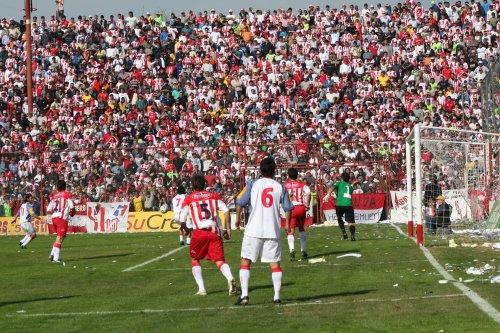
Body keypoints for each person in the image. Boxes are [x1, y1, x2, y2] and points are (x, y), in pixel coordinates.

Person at [235, 157, 293, 305]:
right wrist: (287, 225)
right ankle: (277, 297)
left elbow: (240, 201)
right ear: (275, 170)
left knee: (245, 261)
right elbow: (287, 208)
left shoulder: (252, 184)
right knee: (275, 264)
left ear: (260, 170)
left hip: (253, 229)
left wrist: (237, 219)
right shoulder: (281, 187)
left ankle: (245, 295)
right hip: (272, 230)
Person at [179, 174, 236, 296]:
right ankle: (230, 278)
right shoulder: (214, 196)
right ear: (204, 184)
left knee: (195, 259)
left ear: (193, 185)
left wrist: (187, 230)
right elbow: (226, 211)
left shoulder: (189, 199)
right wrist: (227, 229)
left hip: (199, 232)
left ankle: (202, 289)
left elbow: (181, 219)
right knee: (219, 260)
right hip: (214, 231)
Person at [283, 168, 311, 261]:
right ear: (297, 175)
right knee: (302, 228)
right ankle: (303, 251)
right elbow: (308, 192)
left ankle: (292, 251)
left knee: (291, 231)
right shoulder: (301, 184)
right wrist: (307, 203)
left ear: (288, 175)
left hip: (290, 209)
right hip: (300, 207)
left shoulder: (285, 185)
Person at [46, 180, 75, 263]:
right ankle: (56, 258)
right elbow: (72, 205)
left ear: (57, 187)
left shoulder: (54, 196)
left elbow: (48, 209)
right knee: (60, 237)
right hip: (61, 218)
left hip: (54, 217)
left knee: (59, 237)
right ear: (65, 187)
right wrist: (72, 211)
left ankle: (52, 254)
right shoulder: (66, 194)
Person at [330, 172, 356, 241]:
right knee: (351, 222)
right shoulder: (350, 187)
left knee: (339, 217)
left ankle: (344, 232)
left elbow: (332, 188)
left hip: (339, 204)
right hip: (348, 204)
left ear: (342, 178)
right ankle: (352, 235)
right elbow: (346, 195)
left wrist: (327, 195)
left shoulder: (339, 183)